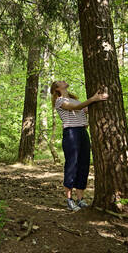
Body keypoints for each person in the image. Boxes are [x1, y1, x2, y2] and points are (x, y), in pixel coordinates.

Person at [50, 80, 108, 212]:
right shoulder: (59, 101)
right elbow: (75, 108)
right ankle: (69, 200)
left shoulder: (74, 99)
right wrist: (93, 98)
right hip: (71, 133)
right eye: (60, 81)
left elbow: (84, 109)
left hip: (82, 132)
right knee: (72, 164)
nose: (64, 81)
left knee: (84, 164)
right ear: (57, 88)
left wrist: (97, 101)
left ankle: (80, 199)